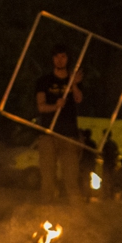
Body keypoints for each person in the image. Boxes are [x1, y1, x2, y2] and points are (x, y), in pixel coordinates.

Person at [35, 43, 84, 204]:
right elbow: (41, 106)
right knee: (48, 177)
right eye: (56, 56)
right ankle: (45, 213)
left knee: (71, 177)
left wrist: (74, 84)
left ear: (68, 59)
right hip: (49, 134)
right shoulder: (44, 81)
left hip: (69, 135)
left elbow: (79, 99)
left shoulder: (73, 80)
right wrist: (55, 106)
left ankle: (77, 216)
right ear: (52, 59)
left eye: (63, 56)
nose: (60, 60)